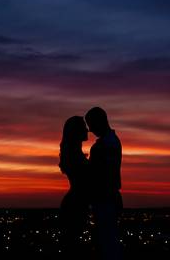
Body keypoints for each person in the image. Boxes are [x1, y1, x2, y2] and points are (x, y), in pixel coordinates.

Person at [85, 107, 122, 260]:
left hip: (105, 199)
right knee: (108, 240)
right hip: (108, 198)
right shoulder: (112, 141)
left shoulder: (104, 145)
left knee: (107, 243)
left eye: (91, 125)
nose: (90, 130)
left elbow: (99, 175)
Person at [59, 115, 90, 256]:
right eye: (84, 126)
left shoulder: (76, 154)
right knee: (72, 248)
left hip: (76, 202)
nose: (87, 129)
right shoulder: (74, 156)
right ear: (76, 131)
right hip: (75, 204)